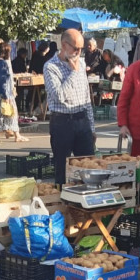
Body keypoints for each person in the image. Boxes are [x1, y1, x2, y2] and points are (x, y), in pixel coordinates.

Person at [45, 29, 96, 184]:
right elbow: (59, 96)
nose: (78, 53)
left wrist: (91, 127)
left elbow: (86, 96)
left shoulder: (81, 62)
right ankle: (62, 202)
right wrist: (73, 73)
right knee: (62, 167)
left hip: (82, 118)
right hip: (62, 121)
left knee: (88, 165)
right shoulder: (50, 67)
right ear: (64, 45)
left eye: (81, 49)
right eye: (76, 48)